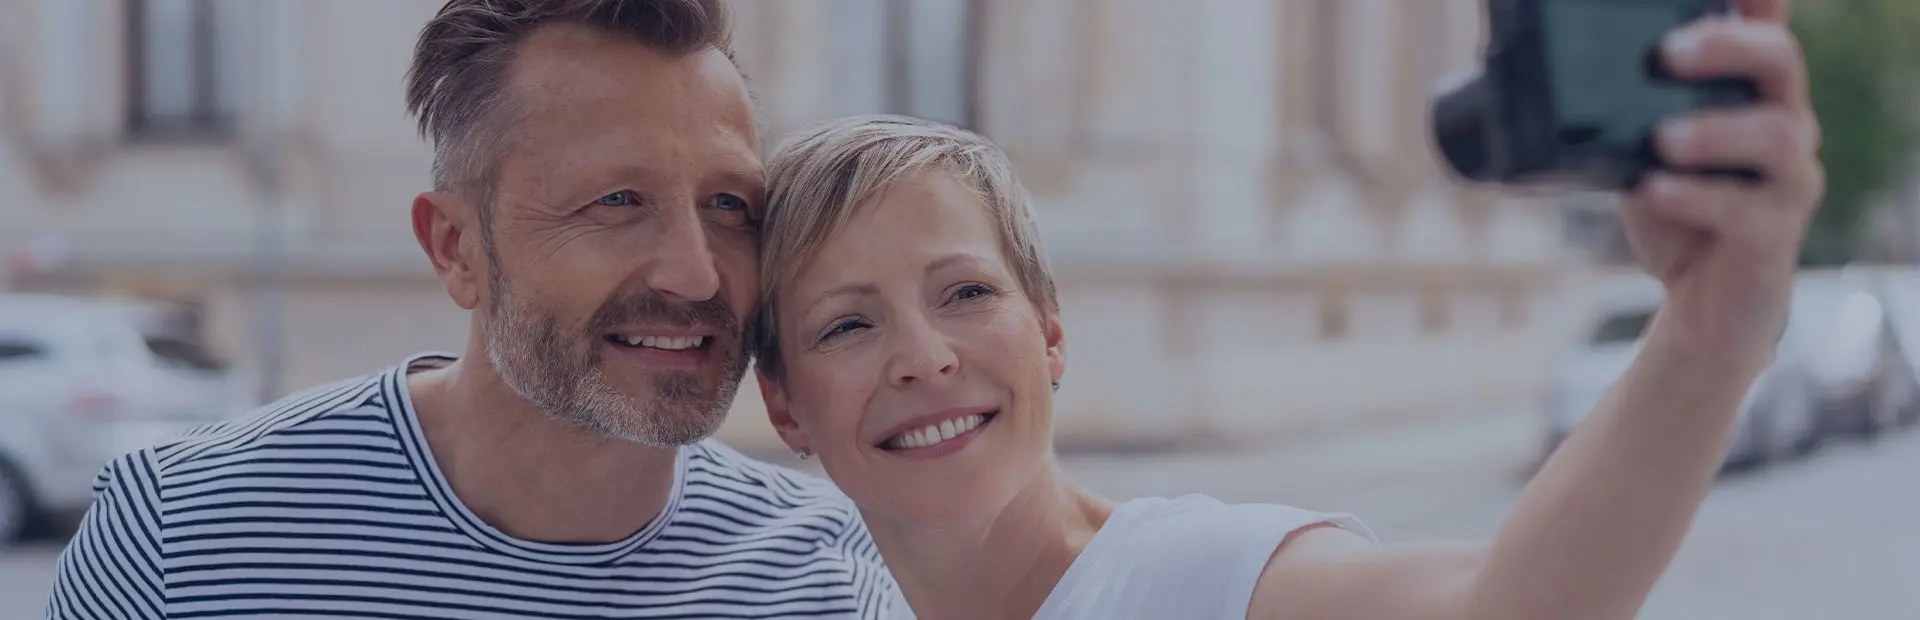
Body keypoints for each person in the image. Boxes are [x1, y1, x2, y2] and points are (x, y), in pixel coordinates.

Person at [749, 1, 1825, 617]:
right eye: (849, 322)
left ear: (1054, 333)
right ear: (784, 404)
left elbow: (1507, 605)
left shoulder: (1191, 576)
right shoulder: (821, 592)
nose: (924, 356)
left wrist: (1706, 331)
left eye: (967, 294)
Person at [46, 1, 900, 618]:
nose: (696, 273)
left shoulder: (832, 569)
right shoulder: (180, 538)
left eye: (728, 206)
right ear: (456, 248)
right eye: (614, 199)